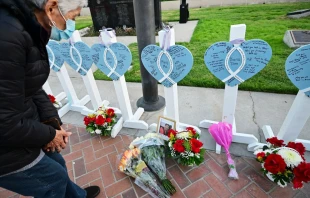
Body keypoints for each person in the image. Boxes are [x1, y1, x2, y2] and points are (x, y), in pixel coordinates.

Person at [0, 0, 100, 197]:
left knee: (57, 163)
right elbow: (4, 123)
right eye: (73, 16)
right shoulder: (9, 38)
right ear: (52, 7)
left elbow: (30, 86)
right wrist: (48, 135)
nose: (71, 25)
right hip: (5, 146)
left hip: (19, 119)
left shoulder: (29, 28)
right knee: (51, 181)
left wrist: (52, 123)